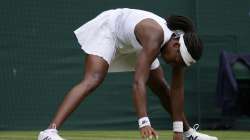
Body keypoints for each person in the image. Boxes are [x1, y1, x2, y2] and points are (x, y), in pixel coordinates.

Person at [38, 8, 218, 140]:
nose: (175, 65)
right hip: (110, 30)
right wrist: (144, 121)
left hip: (133, 44)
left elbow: (177, 91)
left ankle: (188, 133)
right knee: (93, 79)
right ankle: (49, 133)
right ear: (176, 45)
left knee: (163, 88)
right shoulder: (155, 36)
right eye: (177, 61)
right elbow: (139, 81)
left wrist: (177, 131)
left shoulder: (177, 47)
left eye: (181, 65)